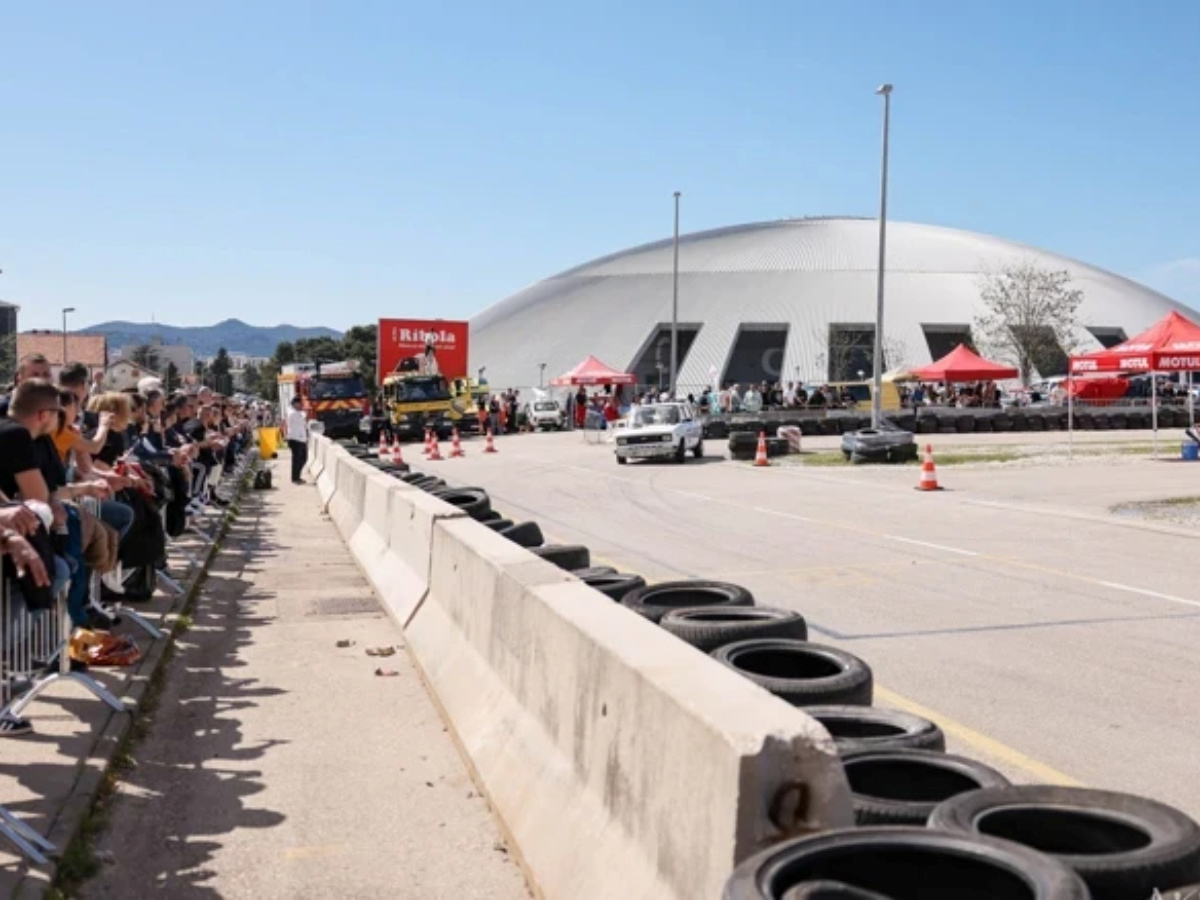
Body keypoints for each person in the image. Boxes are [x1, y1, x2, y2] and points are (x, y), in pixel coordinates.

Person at [284, 396, 309, 484]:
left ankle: (297, 475)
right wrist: (305, 411)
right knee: (297, 460)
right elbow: (303, 419)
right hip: (295, 439)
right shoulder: (293, 413)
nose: (301, 406)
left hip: (300, 438)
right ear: (295, 404)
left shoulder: (296, 412)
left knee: (303, 458)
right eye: (300, 404)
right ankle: (295, 478)